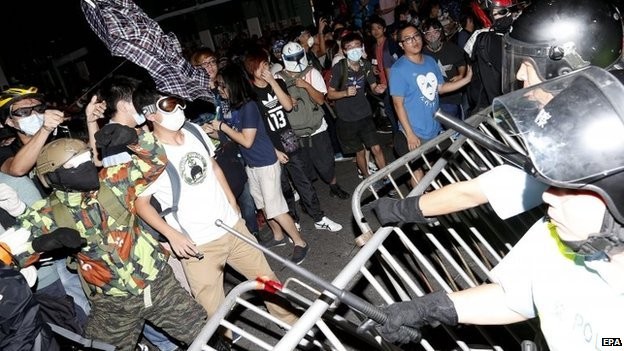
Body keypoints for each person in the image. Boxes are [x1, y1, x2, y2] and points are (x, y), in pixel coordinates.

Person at [376, 65, 624, 350]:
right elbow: (518, 299)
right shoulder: (562, 241)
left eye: (572, 188)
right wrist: (427, 310)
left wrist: (398, 210)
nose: (547, 197)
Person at [367, 0, 624, 226]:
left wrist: (397, 209)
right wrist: (403, 208)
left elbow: (482, 190)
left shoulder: (598, 133)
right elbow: (489, 187)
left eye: (527, 65)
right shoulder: (584, 116)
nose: (520, 75)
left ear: (564, 69)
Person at [14, 131, 208, 350]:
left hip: (160, 285)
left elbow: (155, 162)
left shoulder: (112, 181)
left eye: (87, 158)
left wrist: (134, 138)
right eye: (74, 164)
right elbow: (9, 255)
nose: (86, 166)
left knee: (206, 338)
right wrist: (38, 246)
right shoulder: (45, 214)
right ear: (53, 177)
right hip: (112, 303)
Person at [132, 85, 300, 337]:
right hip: (198, 246)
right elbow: (141, 203)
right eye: (168, 105)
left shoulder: (193, 130)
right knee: (214, 311)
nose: (177, 108)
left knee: (268, 281)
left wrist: (232, 203)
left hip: (233, 228)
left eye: (178, 102)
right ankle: (224, 343)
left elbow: (214, 167)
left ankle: (295, 326)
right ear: (150, 114)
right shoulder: (148, 154)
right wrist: (172, 236)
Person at [243, 49, 343, 233]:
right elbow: (258, 128)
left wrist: (272, 81)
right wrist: (274, 151)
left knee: (303, 180)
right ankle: (293, 219)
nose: (265, 68)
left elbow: (288, 106)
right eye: (260, 66)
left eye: (266, 64)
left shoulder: (278, 82)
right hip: (270, 144)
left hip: (288, 137)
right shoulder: (250, 95)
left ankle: (318, 217)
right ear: (251, 70)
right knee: (282, 185)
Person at [389, 22, 472, 183]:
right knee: (418, 173)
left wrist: (466, 80)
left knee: (433, 170)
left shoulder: (430, 61)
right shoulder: (399, 69)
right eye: (408, 39)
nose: (414, 41)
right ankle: (419, 205)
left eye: (416, 36)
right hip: (414, 130)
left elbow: (440, 88)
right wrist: (410, 134)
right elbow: (398, 104)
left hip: (433, 127)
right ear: (401, 45)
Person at [279, 41, 351, 200]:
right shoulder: (279, 78)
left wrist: (306, 85)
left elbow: (320, 100)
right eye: (293, 57)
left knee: (326, 162)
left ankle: (334, 185)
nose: (297, 60)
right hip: (295, 132)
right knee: (303, 169)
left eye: (298, 56)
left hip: (317, 128)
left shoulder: (312, 73)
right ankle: (309, 198)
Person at [327, 32, 389, 182]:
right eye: (349, 47)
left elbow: (373, 86)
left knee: (376, 148)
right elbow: (330, 95)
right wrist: (345, 93)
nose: (354, 50)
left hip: (365, 114)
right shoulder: (339, 69)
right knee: (360, 152)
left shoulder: (365, 65)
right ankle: (368, 180)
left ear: (362, 48)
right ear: (344, 51)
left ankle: (387, 177)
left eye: (357, 46)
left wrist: (377, 89)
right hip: (347, 119)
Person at [421, 18, 467, 121]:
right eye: (428, 34)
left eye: (435, 32)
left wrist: (460, 75)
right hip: (431, 98)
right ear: (424, 36)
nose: (433, 37)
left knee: (455, 124)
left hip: (452, 97)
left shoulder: (452, 48)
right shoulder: (421, 54)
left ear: (441, 32)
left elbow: (461, 63)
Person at [369, 16, 402, 134]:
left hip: (393, 84)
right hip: (384, 84)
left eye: (378, 28)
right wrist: (374, 68)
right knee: (391, 111)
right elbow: (375, 61)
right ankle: (397, 135)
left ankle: (399, 136)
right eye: (373, 29)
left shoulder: (390, 44)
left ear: (384, 29)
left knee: (394, 111)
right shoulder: (374, 46)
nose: (376, 31)